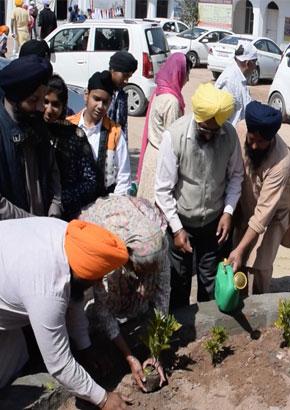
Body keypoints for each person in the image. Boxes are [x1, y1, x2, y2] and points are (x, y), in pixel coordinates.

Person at [0, 217, 130, 409]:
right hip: (17, 275)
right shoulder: (46, 288)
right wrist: (103, 399)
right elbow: (58, 364)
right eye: (95, 279)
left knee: (15, 357)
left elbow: (73, 298)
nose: (98, 283)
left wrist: (85, 347)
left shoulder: (70, 241)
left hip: (10, 270)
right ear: (81, 273)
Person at [155, 83, 243, 307]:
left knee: (211, 282)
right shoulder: (174, 136)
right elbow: (163, 190)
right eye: (205, 129)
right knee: (179, 281)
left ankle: (210, 334)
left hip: (214, 224)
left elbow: (235, 177)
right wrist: (176, 229)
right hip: (181, 222)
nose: (210, 134)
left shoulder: (229, 136)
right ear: (197, 118)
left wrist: (228, 212)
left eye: (215, 130)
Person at [75, 195, 170, 392]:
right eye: (141, 272)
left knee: (144, 294)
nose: (144, 277)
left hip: (133, 239)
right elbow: (104, 311)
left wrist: (156, 351)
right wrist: (130, 357)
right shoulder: (108, 255)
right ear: (129, 262)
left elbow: (162, 296)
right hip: (100, 235)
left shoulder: (156, 245)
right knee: (93, 312)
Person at [228, 101, 290, 294]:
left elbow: (262, 215)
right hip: (247, 201)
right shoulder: (240, 130)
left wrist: (240, 250)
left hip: (274, 211)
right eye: (252, 140)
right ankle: (238, 298)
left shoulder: (282, 161)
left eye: (261, 142)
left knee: (261, 265)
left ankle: (259, 302)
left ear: (272, 138)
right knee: (237, 257)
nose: (255, 146)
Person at [0, 55, 62, 220]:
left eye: (44, 99)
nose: (42, 107)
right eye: (34, 100)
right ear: (15, 99)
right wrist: (31, 223)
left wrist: (55, 207)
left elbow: (52, 170)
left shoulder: (36, 123)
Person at [44, 75, 100, 220]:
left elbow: (91, 181)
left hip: (68, 214)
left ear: (63, 106)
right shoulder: (32, 132)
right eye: (45, 102)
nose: (49, 110)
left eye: (55, 104)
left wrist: (60, 199)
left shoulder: (75, 136)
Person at [67, 71, 131, 196]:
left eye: (105, 102)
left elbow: (124, 178)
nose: (100, 106)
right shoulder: (68, 126)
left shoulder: (115, 132)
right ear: (86, 95)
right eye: (96, 99)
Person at [137, 53, 190, 202]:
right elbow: (173, 141)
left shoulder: (160, 91)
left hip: (151, 154)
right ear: (179, 72)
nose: (187, 79)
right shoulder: (172, 101)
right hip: (161, 161)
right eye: (187, 73)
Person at [215, 42, 257, 125]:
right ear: (248, 63)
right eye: (255, 62)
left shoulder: (239, 78)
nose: (255, 66)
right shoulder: (230, 81)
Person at [107, 51, 138, 139]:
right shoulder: (100, 93)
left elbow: (123, 127)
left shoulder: (122, 95)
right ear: (112, 70)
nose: (126, 81)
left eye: (129, 77)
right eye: (124, 76)